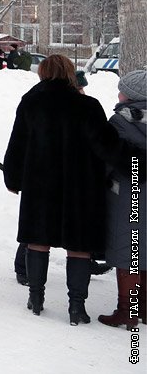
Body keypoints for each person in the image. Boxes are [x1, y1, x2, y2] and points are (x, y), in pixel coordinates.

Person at [3, 55, 144, 325]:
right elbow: (107, 146)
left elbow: (18, 142)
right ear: (69, 73)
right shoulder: (87, 106)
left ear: (43, 73)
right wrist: (138, 164)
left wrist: (13, 178)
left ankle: (36, 298)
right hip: (80, 187)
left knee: (37, 241)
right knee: (79, 247)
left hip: (40, 185)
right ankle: (76, 307)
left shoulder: (31, 102)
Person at [97, 70, 146, 330]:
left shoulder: (120, 121)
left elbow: (108, 158)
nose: (119, 94)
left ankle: (128, 310)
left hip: (127, 193)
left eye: (122, 90)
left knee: (128, 251)